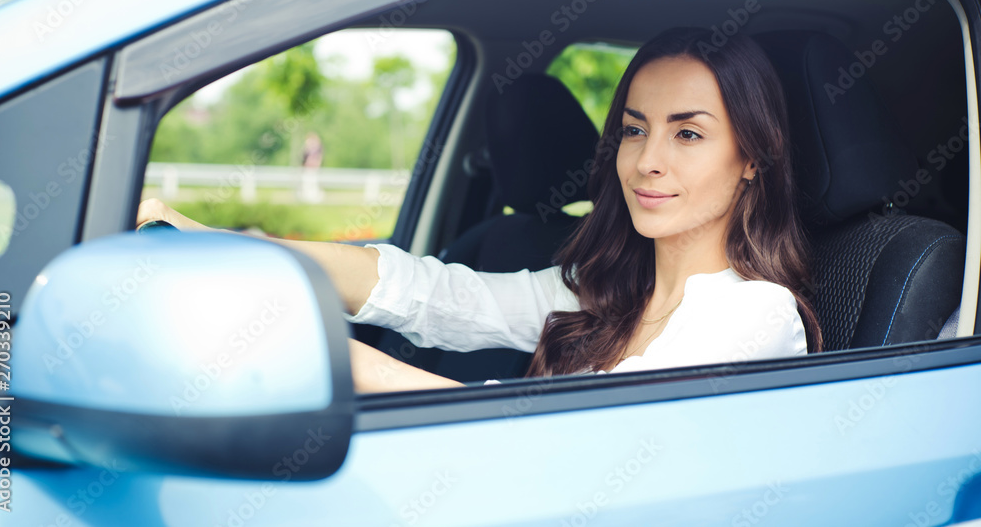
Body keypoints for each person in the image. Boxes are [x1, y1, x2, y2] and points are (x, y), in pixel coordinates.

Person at [137, 27, 822, 393]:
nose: (648, 159)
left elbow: (562, 432)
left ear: (754, 155)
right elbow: (436, 295)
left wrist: (324, 354)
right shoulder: (606, 288)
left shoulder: (754, 315)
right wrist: (218, 242)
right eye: (637, 128)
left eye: (689, 133)